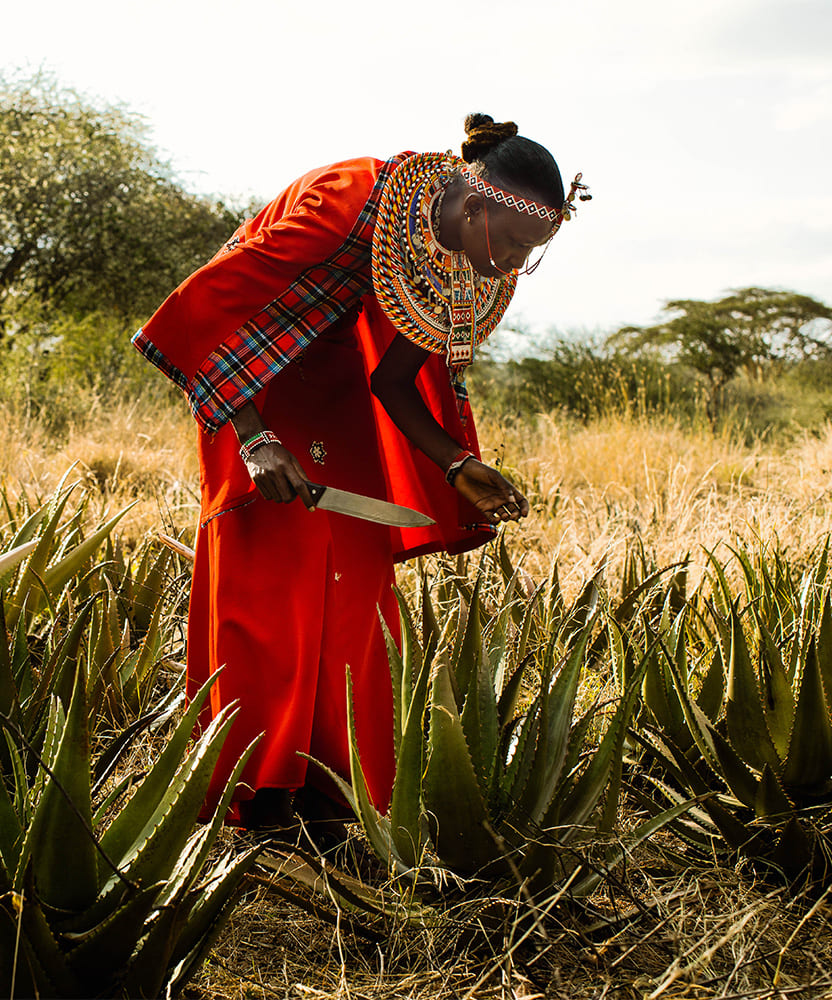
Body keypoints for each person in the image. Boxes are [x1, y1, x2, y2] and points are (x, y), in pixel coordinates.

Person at [133, 113, 587, 843]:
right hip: (246, 378)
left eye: (529, 256)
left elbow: (396, 380)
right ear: (476, 206)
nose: (510, 267)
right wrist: (254, 438)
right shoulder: (342, 204)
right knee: (268, 577)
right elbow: (209, 308)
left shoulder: (445, 255)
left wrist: (457, 464)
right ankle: (256, 792)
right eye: (510, 245)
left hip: (330, 379)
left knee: (354, 578)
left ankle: (333, 788)